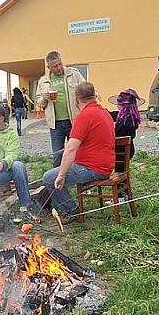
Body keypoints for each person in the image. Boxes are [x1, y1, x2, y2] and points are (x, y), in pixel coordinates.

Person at [41, 82, 114, 221]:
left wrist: (61, 175)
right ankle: (65, 207)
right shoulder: (104, 112)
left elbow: (70, 148)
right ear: (94, 96)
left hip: (92, 169)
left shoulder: (84, 116)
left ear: (77, 100)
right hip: (105, 165)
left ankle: (71, 210)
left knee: (49, 178)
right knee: (58, 172)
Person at [35, 51, 86, 167]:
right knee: (58, 155)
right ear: (49, 67)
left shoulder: (74, 74)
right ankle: (59, 182)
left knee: (77, 153)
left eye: (60, 64)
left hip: (74, 121)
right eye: (55, 66)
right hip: (55, 124)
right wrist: (44, 98)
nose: (59, 68)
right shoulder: (43, 81)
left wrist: (94, 94)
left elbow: (85, 88)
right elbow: (39, 102)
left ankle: (78, 180)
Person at [108, 89, 143, 157]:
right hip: (128, 150)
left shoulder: (126, 121)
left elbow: (115, 136)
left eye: (119, 104)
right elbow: (112, 114)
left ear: (125, 106)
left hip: (120, 152)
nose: (117, 106)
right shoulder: (130, 117)